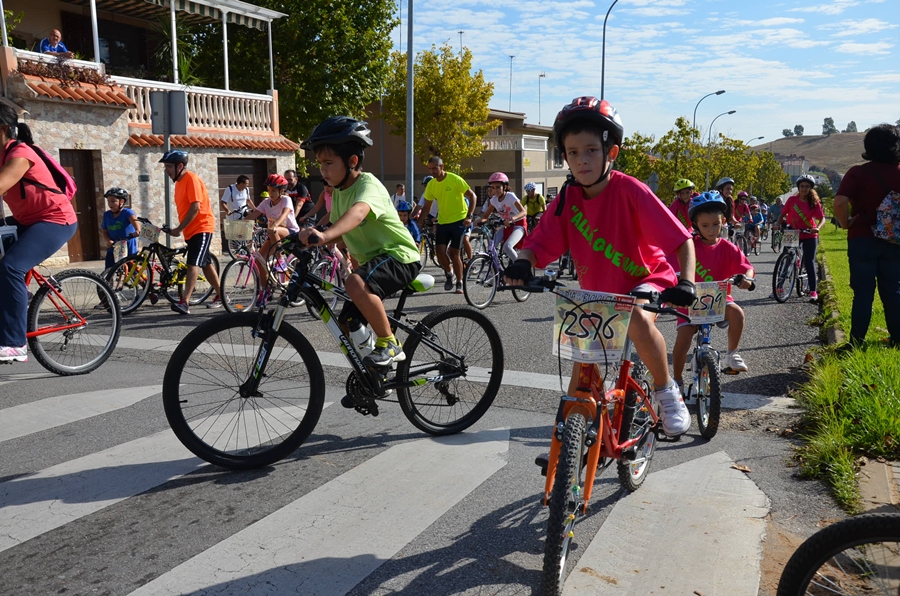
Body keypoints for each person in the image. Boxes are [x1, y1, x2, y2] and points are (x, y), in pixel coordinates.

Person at [504, 96, 697, 437]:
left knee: (635, 316)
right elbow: (537, 244)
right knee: (580, 379)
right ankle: (576, 450)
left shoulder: (631, 191)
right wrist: (523, 263)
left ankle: (668, 391)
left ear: (611, 152)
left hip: (647, 278)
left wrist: (687, 282)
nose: (582, 160)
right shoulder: (567, 198)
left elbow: (683, 241)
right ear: (564, 157)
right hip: (598, 295)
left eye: (591, 150)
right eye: (573, 152)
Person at [298, 116, 420, 371]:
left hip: (399, 256)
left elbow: (358, 214)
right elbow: (338, 228)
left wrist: (324, 236)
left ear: (352, 161)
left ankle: (389, 343)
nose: (323, 170)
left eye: (329, 163)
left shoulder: (368, 185)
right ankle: (376, 374)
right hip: (375, 262)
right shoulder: (339, 192)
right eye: (320, 163)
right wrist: (306, 236)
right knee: (348, 321)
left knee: (355, 282)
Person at [0, 104, 78, 362]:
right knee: (8, 270)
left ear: (2, 129)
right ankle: (18, 295)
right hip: (27, 220)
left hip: (55, 220)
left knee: (11, 267)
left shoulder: (20, 153)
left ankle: (14, 343)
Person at [671, 192, 754, 393]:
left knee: (737, 314)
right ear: (696, 225)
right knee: (683, 339)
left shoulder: (728, 247)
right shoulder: (688, 247)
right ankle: (677, 381)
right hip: (690, 302)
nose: (711, 230)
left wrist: (747, 279)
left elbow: (746, 267)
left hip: (718, 300)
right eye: (705, 225)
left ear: (723, 221)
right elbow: (670, 268)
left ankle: (732, 354)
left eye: (715, 224)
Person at [833, 123, 900, 348]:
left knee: (862, 293)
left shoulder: (858, 173)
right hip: (894, 241)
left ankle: (856, 342)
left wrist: (846, 223)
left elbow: (840, 202)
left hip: (862, 237)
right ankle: (897, 340)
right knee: (892, 291)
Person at [159, 150, 224, 313]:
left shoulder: (191, 179)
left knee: (192, 263)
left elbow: (196, 207)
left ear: (180, 166)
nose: (166, 170)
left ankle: (185, 302)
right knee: (206, 264)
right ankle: (222, 295)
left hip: (202, 227)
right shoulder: (179, 183)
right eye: (165, 166)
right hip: (191, 230)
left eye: (168, 166)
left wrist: (178, 229)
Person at [417, 157, 477, 294]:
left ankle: (460, 282)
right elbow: (426, 206)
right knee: (440, 253)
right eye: (430, 168)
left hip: (459, 221)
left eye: (434, 168)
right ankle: (450, 273)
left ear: (442, 166)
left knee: (454, 253)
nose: (432, 171)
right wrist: (418, 222)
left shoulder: (454, 179)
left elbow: (473, 196)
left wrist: (469, 216)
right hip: (443, 222)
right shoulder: (431, 184)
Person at [242, 174, 300, 289]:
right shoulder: (266, 202)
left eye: (273, 190)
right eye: (269, 190)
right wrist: (238, 223)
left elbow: (284, 214)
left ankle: (281, 260)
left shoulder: (286, 199)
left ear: (282, 191)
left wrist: (275, 225)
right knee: (259, 260)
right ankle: (266, 289)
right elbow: (253, 214)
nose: (270, 193)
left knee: (273, 231)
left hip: (290, 233)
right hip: (273, 234)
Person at [778, 174, 825, 302]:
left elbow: (822, 218)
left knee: (809, 262)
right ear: (798, 187)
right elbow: (782, 214)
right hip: (792, 232)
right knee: (785, 258)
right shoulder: (792, 200)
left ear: (810, 188)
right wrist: (777, 224)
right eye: (802, 186)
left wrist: (818, 228)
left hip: (809, 233)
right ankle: (779, 288)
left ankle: (813, 291)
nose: (804, 189)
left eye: (807, 186)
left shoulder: (814, 202)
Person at [479, 172, 527, 261]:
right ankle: (495, 271)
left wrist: (512, 219)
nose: (495, 190)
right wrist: (478, 221)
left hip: (519, 225)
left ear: (504, 187)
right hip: (506, 226)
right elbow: (485, 216)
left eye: (498, 187)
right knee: (491, 247)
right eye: (493, 188)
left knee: (507, 247)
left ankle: (521, 268)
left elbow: (523, 212)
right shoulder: (493, 200)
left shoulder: (510, 196)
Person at [100, 187, 140, 269]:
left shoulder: (127, 213)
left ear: (121, 202)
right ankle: (108, 282)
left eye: (113, 201)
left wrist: (137, 231)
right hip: (115, 246)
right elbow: (104, 232)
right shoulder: (107, 215)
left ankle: (142, 281)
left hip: (128, 246)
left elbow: (136, 223)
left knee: (132, 271)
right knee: (109, 270)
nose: (110, 204)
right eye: (108, 201)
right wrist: (108, 241)